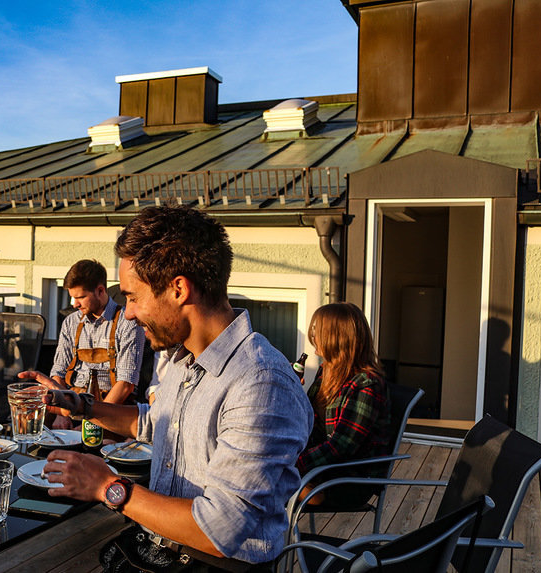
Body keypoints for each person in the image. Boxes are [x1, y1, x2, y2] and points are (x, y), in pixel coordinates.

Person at [20, 206, 312, 570]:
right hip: (156, 550)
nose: (126, 313)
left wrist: (108, 487)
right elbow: (154, 422)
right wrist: (83, 406)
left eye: (133, 296)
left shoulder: (261, 381)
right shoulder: (182, 357)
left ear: (178, 289)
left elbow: (219, 530)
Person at [296, 302, 391, 506]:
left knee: (267, 484)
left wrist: (293, 464)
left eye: (318, 330)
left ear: (337, 336)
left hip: (349, 479)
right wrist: (293, 392)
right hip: (322, 471)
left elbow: (342, 445)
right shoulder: (326, 371)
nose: (313, 335)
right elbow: (310, 423)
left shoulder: (366, 384)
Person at [48, 259, 145, 429]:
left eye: (80, 297)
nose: (74, 304)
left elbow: (126, 384)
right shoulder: (71, 322)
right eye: (72, 297)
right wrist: (61, 413)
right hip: (71, 408)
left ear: (100, 290)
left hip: (112, 412)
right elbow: (58, 372)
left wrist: (93, 423)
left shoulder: (128, 323)